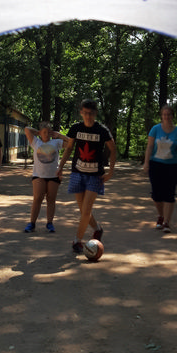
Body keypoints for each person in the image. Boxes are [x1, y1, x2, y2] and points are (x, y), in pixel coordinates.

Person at [56, 99, 117, 255]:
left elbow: (113, 149)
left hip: (95, 176)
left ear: (95, 113)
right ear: (81, 113)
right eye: (85, 113)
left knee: (86, 210)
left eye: (91, 113)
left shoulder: (102, 130)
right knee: (83, 210)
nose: (88, 116)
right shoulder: (76, 128)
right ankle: (97, 229)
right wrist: (60, 167)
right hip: (77, 173)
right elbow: (69, 148)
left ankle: (77, 240)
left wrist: (110, 172)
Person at [142, 104, 177, 233]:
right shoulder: (155, 129)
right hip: (156, 165)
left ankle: (167, 222)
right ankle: (160, 216)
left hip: (171, 166)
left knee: (169, 194)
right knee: (156, 195)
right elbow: (149, 147)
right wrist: (146, 163)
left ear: (172, 116)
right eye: (164, 114)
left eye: (169, 114)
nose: (166, 117)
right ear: (161, 116)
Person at [22, 122, 73, 233]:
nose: (46, 134)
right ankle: (32, 223)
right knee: (37, 198)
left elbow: (71, 143)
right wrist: (38, 132)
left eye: (49, 132)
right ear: (40, 133)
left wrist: (59, 135)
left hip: (53, 175)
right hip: (38, 175)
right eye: (44, 132)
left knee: (51, 199)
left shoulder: (56, 142)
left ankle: (50, 223)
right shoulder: (36, 141)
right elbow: (26, 129)